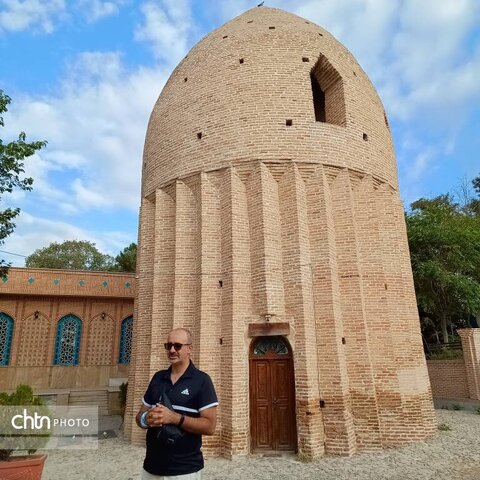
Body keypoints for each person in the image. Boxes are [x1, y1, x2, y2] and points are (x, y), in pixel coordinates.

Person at [136, 328, 218, 479]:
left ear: (189, 349)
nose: (172, 350)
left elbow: (210, 427)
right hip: (151, 467)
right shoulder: (158, 378)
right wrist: (146, 418)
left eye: (178, 346)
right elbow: (140, 416)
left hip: (185, 469)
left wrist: (174, 418)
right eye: (168, 346)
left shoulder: (202, 381)